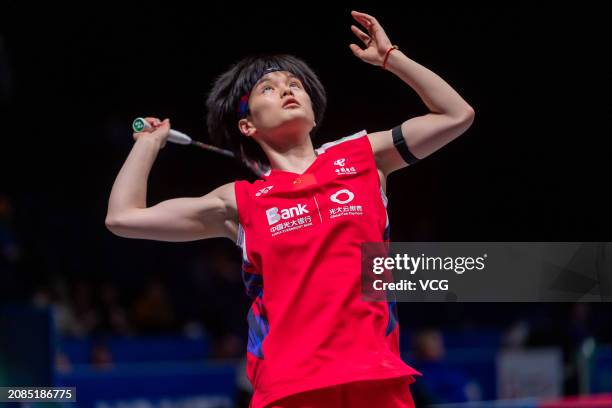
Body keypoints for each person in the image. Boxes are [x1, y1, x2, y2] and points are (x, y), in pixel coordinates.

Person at [105, 10, 474, 408]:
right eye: (269, 87)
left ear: (314, 114)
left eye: (295, 84)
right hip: (289, 391)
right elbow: (123, 218)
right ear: (247, 126)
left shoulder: (365, 156)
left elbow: (456, 115)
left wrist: (391, 58)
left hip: (376, 381)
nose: (287, 90)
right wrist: (147, 144)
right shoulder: (240, 201)